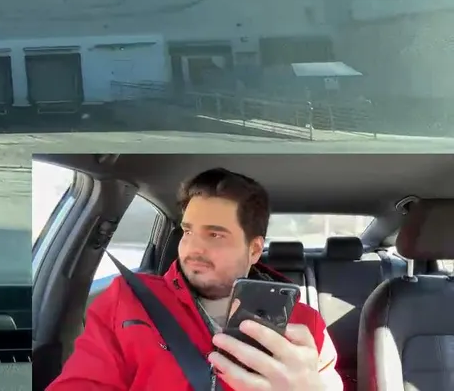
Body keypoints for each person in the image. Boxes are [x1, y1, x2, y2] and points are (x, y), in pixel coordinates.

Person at [46, 167, 342, 391]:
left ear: (253, 250)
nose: (192, 248)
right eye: (188, 231)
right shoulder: (127, 299)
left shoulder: (307, 327)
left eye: (215, 234)